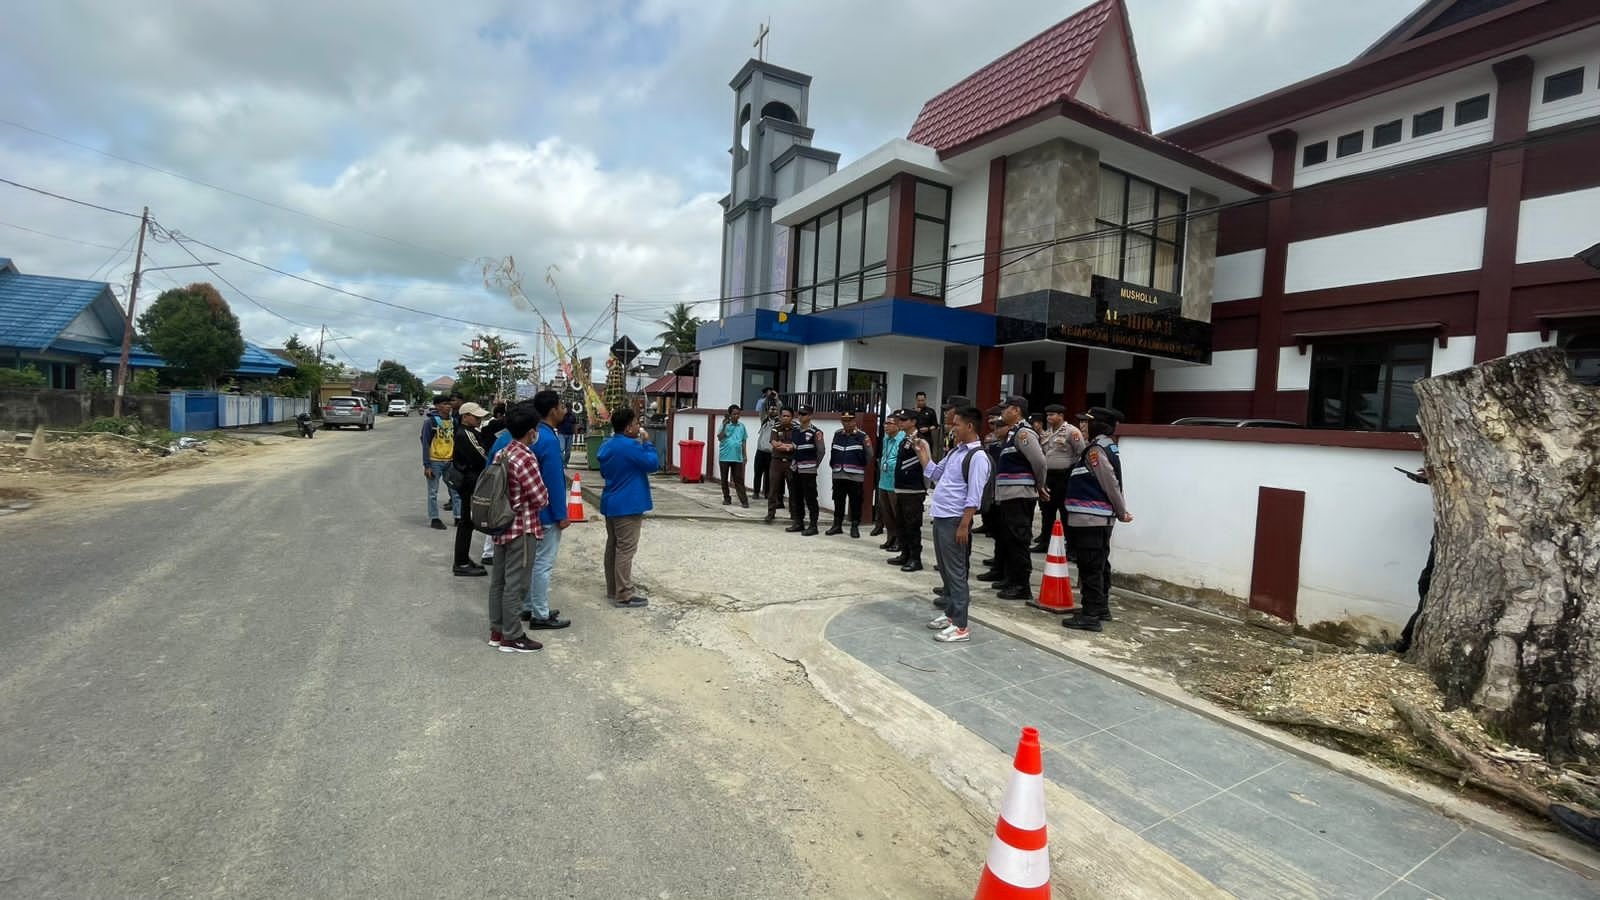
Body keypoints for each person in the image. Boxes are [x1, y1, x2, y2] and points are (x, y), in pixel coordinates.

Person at [915, 405, 990, 643]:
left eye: (956, 424)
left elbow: (974, 495)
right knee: (946, 571)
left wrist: (964, 525)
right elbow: (935, 474)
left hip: (956, 519)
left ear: (969, 426)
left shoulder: (977, 457)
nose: (952, 428)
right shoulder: (956, 452)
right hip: (942, 516)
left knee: (956, 573)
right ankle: (950, 615)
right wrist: (923, 453)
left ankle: (960, 626)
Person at [486, 405, 551, 653]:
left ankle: (497, 630)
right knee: (517, 584)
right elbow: (540, 498)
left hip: (501, 525)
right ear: (532, 431)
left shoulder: (502, 453)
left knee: (499, 582)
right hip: (522, 528)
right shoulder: (525, 457)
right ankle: (512, 636)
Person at [1062, 407, 1133, 633]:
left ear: (1099, 425)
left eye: (1087, 422)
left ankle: (1090, 614)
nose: (1082, 426)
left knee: (1090, 567)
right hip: (1096, 519)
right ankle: (1100, 608)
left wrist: (1121, 511)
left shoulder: (1096, 450)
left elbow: (1109, 482)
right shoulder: (1108, 446)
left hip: (1091, 519)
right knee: (1099, 565)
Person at [978, 397, 1047, 602]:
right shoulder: (1013, 434)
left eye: (1005, 409)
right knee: (1008, 539)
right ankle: (1010, 578)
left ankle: (1021, 585)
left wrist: (1040, 485)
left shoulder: (1024, 433)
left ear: (1016, 410)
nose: (1002, 413)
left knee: (1018, 541)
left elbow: (1039, 461)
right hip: (1009, 495)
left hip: (1019, 495)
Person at [517, 391, 572, 631]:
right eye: (562, 407)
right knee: (543, 564)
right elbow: (554, 482)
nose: (565, 411)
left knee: (533, 562)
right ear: (552, 411)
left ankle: (529, 606)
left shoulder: (535, 435)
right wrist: (561, 514)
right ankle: (540, 613)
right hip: (546, 512)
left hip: (530, 509)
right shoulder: (549, 440)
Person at [598, 407, 659, 609]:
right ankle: (624, 594)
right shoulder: (630, 446)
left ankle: (613, 588)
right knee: (625, 549)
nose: (638, 426)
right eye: (635, 424)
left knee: (613, 546)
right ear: (627, 428)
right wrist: (647, 443)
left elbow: (605, 472)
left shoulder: (607, 445)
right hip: (628, 504)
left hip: (611, 501)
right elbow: (652, 464)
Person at [1392, 464, 1435, 654]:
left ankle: (1407, 642)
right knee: (1427, 583)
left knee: (1430, 584)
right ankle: (1408, 640)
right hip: (1445, 533)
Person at [1033, 404, 1086, 552]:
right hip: (1048, 476)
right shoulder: (1047, 433)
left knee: (1065, 511)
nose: (1048, 417)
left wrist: (1071, 470)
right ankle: (1045, 541)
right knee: (1047, 510)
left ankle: (1071, 547)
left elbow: (1081, 453)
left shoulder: (1071, 431)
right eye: (1047, 415)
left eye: (1052, 415)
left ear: (1061, 416)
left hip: (1064, 476)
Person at [450, 402, 492, 577]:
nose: (479, 419)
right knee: (466, 523)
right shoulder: (465, 433)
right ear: (465, 416)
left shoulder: (470, 432)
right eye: (476, 416)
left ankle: (463, 559)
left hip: (468, 480)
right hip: (468, 481)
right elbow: (482, 456)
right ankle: (461, 562)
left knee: (467, 522)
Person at [885, 409, 928, 572]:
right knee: (901, 524)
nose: (900, 422)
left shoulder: (920, 441)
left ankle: (915, 559)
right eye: (899, 419)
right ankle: (905, 553)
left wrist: (923, 488)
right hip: (901, 488)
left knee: (912, 526)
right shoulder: (905, 440)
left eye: (904, 420)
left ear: (913, 422)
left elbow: (927, 466)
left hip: (913, 490)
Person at [826, 410, 872, 538]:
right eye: (844, 421)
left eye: (849, 420)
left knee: (855, 502)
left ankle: (854, 526)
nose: (846, 423)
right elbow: (833, 451)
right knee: (838, 500)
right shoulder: (837, 434)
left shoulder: (862, 436)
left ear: (854, 421)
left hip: (855, 475)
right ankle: (837, 525)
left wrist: (860, 465)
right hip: (838, 474)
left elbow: (869, 455)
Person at [421, 395, 459, 529]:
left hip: (450, 461)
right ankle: (434, 518)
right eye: (444, 404)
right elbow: (425, 443)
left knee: (455, 490)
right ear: (437, 406)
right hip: (434, 461)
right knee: (433, 492)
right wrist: (427, 465)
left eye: (449, 404)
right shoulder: (430, 423)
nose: (448, 406)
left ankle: (458, 517)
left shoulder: (454, 421)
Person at [787, 405, 823, 536]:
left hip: (808, 470)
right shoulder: (796, 430)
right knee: (796, 496)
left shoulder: (816, 432)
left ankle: (813, 525)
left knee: (810, 498)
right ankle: (799, 522)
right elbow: (794, 447)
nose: (800, 416)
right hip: (796, 468)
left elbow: (821, 451)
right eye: (799, 413)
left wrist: (813, 465)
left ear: (810, 416)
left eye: (804, 414)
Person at [873, 414, 903, 550]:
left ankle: (900, 540)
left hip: (895, 482)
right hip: (884, 480)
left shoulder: (902, 439)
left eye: (889, 423)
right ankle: (890, 537)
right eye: (885, 423)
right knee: (886, 512)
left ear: (898, 425)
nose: (886, 426)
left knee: (897, 513)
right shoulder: (886, 438)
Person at [764, 407, 796, 525]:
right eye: (783, 416)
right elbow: (774, 444)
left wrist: (783, 445)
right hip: (776, 462)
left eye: (788, 416)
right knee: (773, 489)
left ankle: (794, 514)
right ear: (780, 416)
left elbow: (796, 445)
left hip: (791, 463)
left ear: (792, 417)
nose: (785, 418)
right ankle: (771, 513)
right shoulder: (775, 428)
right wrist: (788, 447)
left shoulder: (796, 429)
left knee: (793, 489)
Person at [717, 404, 750, 508]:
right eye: (734, 414)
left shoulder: (742, 426)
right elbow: (720, 438)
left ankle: (744, 501)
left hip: (737, 457)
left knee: (739, 480)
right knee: (724, 479)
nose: (736, 416)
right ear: (730, 414)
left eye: (738, 414)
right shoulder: (724, 425)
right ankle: (727, 498)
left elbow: (743, 441)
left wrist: (745, 455)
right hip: (725, 456)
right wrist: (724, 426)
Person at [753, 405, 778, 500]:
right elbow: (762, 409)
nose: (773, 411)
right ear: (767, 411)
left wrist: (777, 401)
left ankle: (767, 493)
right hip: (760, 452)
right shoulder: (764, 420)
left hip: (771, 453)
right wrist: (767, 399)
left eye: (775, 409)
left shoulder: (778, 423)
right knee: (758, 473)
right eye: (771, 409)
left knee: (769, 474)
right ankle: (756, 492)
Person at [913, 391, 940, 461]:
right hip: (915, 438)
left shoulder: (931, 411)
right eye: (919, 400)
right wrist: (916, 413)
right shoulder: (912, 412)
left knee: (927, 458)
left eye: (922, 400)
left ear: (925, 400)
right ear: (916, 400)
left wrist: (928, 429)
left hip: (927, 438)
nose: (921, 402)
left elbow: (935, 425)